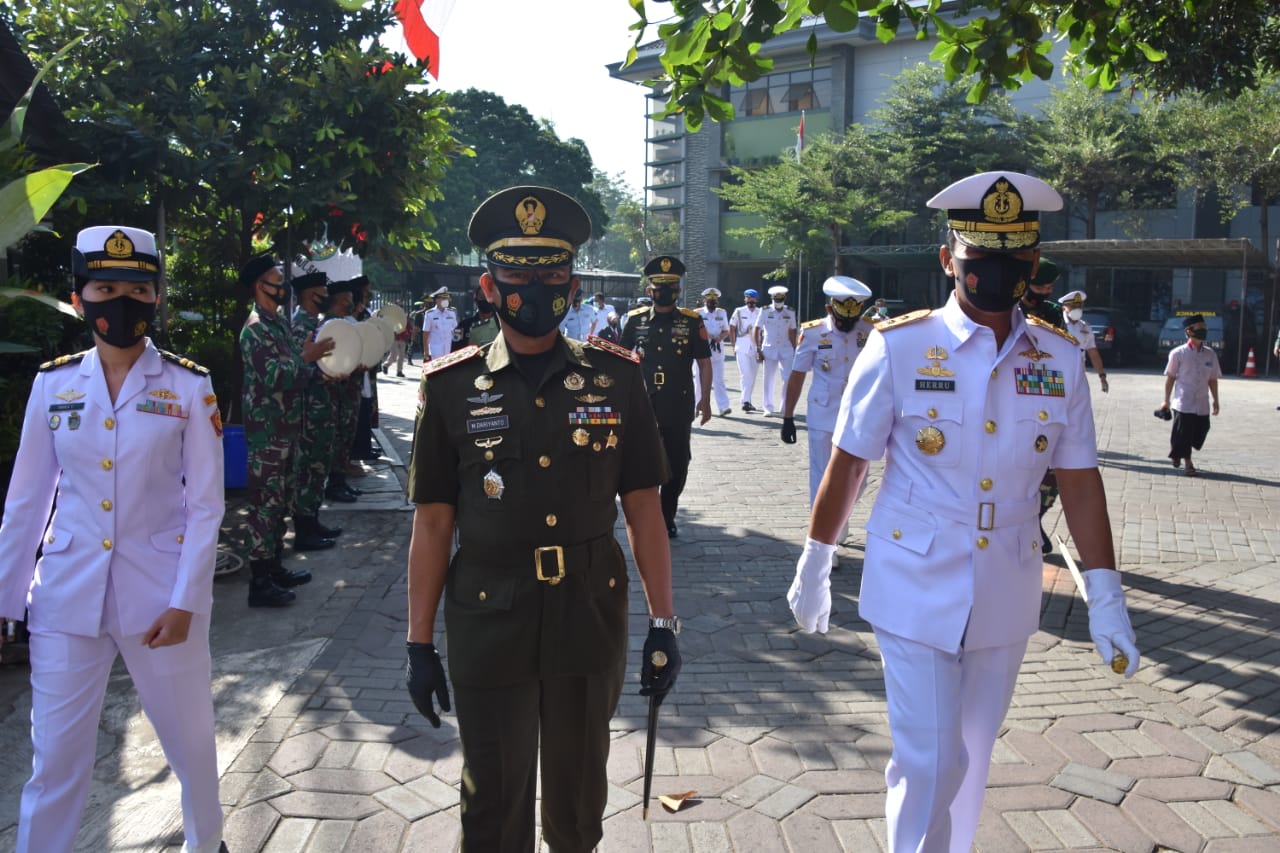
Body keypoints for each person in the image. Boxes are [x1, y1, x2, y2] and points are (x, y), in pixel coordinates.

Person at [787, 171, 1141, 853]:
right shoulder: (899, 346)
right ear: (949, 260)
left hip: (1006, 580)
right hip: (913, 576)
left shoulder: (1059, 359)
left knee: (971, 761)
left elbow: (1079, 480)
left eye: (1011, 262)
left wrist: (1106, 594)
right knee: (931, 759)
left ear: (1033, 265)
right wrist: (817, 562)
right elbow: (850, 462)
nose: (994, 276)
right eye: (980, 262)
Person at [404, 185, 681, 852]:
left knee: (579, 799)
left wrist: (664, 623)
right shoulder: (449, 388)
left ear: (573, 284)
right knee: (493, 803)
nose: (534, 287)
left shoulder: (616, 381)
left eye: (551, 274)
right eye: (517, 274)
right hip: (488, 611)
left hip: (588, 610)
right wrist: (418, 643)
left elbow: (643, 509)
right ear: (489, 285)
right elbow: (434, 521)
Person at [0, 225, 225, 853]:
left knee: (189, 742)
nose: (120, 301)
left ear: (155, 299)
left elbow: (205, 505)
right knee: (56, 761)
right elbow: (27, 500)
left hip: (162, 601)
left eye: (136, 288)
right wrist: (4, 600)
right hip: (66, 598)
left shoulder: (187, 385)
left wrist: (188, 602)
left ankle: (207, 844)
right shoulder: (54, 385)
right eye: (105, 287)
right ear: (80, 299)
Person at [240, 253, 328, 607]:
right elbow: (276, 376)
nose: (283, 287)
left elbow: (299, 374)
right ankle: (259, 582)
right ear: (260, 286)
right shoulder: (255, 329)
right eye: (276, 280)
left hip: (286, 429)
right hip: (267, 434)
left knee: (279, 504)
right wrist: (306, 360)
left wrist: (312, 366)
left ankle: (274, 566)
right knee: (265, 506)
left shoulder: (275, 324)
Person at [781, 275, 875, 569]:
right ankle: (824, 545)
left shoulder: (870, 332)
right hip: (823, 413)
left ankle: (839, 521)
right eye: (842, 318)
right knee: (822, 478)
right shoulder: (812, 334)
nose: (848, 325)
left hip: (859, 415)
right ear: (829, 308)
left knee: (858, 480)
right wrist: (787, 417)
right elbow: (797, 375)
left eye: (853, 317)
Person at [619, 255, 713, 537]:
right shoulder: (634, 322)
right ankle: (648, 516)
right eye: (659, 286)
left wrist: (705, 399)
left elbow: (705, 362)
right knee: (642, 460)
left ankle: (666, 513)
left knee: (678, 462)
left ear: (679, 290)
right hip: (643, 403)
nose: (665, 292)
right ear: (650, 290)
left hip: (678, 402)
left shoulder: (691, 321)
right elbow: (621, 359)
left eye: (671, 286)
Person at [289, 270, 342, 549]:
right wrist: (323, 376)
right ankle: (304, 530)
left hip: (322, 408)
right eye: (323, 291)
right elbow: (299, 368)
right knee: (307, 471)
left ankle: (312, 521)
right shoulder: (300, 327)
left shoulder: (316, 325)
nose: (327, 297)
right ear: (312, 295)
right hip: (308, 412)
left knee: (318, 467)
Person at [1158, 313, 1221, 476]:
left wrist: (1216, 400)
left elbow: (1213, 379)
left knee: (1201, 430)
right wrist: (1166, 400)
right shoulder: (1178, 353)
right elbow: (1170, 378)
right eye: (1199, 329)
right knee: (1184, 433)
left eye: (1205, 328)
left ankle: (1177, 452)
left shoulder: (1210, 354)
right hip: (1183, 401)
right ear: (1189, 331)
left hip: (1202, 403)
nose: (1203, 331)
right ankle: (1188, 462)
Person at [754, 284, 797, 416]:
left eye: (781, 300)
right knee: (768, 378)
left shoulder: (790, 311)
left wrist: (795, 349)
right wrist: (758, 349)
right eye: (776, 300)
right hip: (769, 347)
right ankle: (768, 407)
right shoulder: (765, 311)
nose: (778, 303)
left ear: (784, 299)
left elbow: (793, 331)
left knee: (788, 378)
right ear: (772, 299)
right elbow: (757, 329)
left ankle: (785, 407)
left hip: (786, 348)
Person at [1059, 289, 1109, 392]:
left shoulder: (1085, 327)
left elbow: (1093, 353)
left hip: (1079, 374)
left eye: (1079, 306)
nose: (1077, 309)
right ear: (1064, 307)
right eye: (1073, 306)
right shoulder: (1056, 324)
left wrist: (1102, 376)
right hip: (1059, 374)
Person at [695, 286, 732, 416]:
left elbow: (726, 330)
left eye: (714, 302)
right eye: (709, 302)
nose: (712, 304)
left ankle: (723, 407)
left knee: (719, 380)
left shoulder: (721, 313)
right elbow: (696, 331)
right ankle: (697, 406)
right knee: (700, 380)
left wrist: (719, 338)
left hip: (717, 350)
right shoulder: (698, 313)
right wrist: (710, 336)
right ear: (704, 300)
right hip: (701, 351)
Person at [730, 288, 762, 412]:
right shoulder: (739, 311)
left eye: (752, 299)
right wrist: (733, 345)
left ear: (757, 300)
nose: (750, 301)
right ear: (745, 299)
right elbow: (731, 328)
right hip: (742, 347)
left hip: (755, 348)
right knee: (746, 374)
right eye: (748, 299)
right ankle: (746, 401)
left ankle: (746, 400)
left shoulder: (761, 312)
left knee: (752, 376)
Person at [421, 286, 458, 361]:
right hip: (436, 350)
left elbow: (456, 330)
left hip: (449, 349)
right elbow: (426, 334)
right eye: (443, 298)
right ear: (437, 300)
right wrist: (426, 351)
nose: (446, 300)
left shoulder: (451, 313)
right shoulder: (430, 314)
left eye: (446, 298)